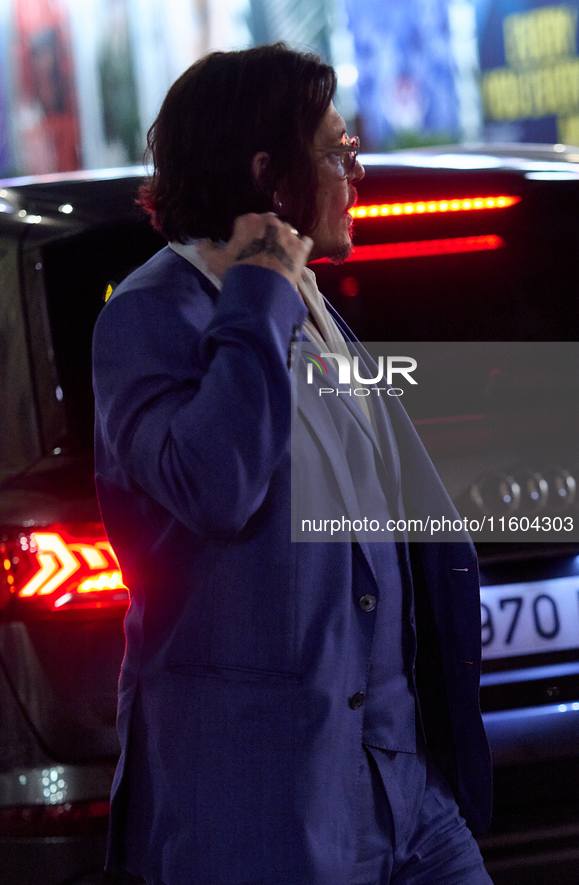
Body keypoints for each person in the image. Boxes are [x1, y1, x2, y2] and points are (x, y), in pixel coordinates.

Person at [92, 43, 493, 885]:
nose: (357, 172)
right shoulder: (148, 315)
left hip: (402, 792)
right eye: (337, 153)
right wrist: (261, 290)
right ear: (272, 178)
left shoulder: (315, 308)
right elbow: (216, 484)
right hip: (271, 809)